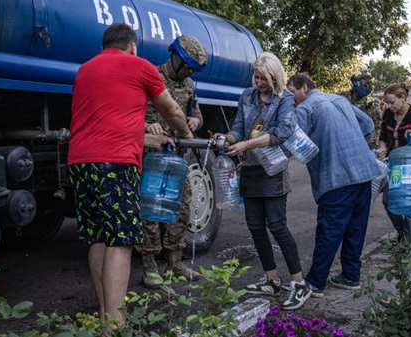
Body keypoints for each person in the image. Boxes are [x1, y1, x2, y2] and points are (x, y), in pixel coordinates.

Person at [67, 23, 192, 326]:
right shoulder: (141, 66)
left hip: (80, 162)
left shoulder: (85, 70)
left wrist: (147, 139)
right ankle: (115, 324)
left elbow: (104, 121)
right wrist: (185, 135)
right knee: (120, 241)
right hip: (115, 163)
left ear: (104, 45)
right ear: (132, 46)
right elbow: (172, 111)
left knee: (98, 237)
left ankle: (103, 315)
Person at [214, 52, 311, 311]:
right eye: (256, 78)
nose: (259, 83)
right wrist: (230, 138)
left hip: (273, 170)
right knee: (256, 226)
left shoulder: (285, 99)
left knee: (278, 226)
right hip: (250, 169)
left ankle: (299, 283)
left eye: (264, 79)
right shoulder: (246, 96)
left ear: (275, 77)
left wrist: (246, 143)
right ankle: (271, 279)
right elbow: (238, 127)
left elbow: (282, 132)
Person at [287, 73, 382, 297]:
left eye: (292, 92)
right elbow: (368, 125)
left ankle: (315, 283)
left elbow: (291, 142)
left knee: (330, 229)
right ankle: (350, 276)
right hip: (365, 171)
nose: (291, 98)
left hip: (337, 176)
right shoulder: (339, 100)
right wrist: (351, 141)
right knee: (355, 228)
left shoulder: (305, 109)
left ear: (303, 87)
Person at [136, 35, 208, 289]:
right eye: (188, 66)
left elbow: (196, 113)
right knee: (150, 211)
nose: (189, 72)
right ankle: (150, 266)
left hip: (177, 159)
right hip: (150, 159)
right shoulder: (150, 76)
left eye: (193, 69)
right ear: (175, 57)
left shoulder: (189, 85)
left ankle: (175, 262)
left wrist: (195, 122)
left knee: (182, 207)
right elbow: (129, 114)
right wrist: (146, 126)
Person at [378, 83, 411, 242]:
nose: (389, 106)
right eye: (387, 102)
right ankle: (402, 232)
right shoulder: (388, 114)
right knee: (388, 200)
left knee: (408, 202)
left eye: (392, 102)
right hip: (391, 164)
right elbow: (384, 135)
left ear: (403, 98)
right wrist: (382, 149)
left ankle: (407, 241)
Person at [338, 73, 380, 149]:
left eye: (363, 96)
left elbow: (375, 126)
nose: (360, 98)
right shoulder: (341, 99)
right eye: (358, 94)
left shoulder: (368, 106)